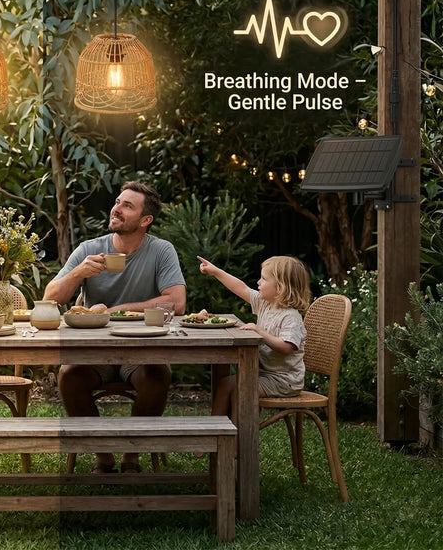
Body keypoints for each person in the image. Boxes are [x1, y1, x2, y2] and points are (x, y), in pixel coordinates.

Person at [43, 181, 186, 473]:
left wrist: (121, 310)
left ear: (146, 220)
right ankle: (103, 455)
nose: (116, 209)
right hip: (95, 352)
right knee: (69, 376)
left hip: (142, 350)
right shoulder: (89, 249)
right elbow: (50, 298)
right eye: (118, 202)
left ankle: (131, 456)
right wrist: (80, 271)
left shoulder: (161, 251)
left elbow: (177, 302)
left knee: (157, 374)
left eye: (127, 206)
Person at [197, 255, 311, 418]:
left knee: (240, 389)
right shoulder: (265, 303)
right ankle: (214, 434)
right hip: (262, 374)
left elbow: (286, 347)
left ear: (281, 288)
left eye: (264, 279)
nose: (258, 282)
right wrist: (216, 272)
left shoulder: (291, 317)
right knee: (224, 384)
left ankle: (239, 439)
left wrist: (260, 333)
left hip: (284, 380)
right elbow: (241, 288)